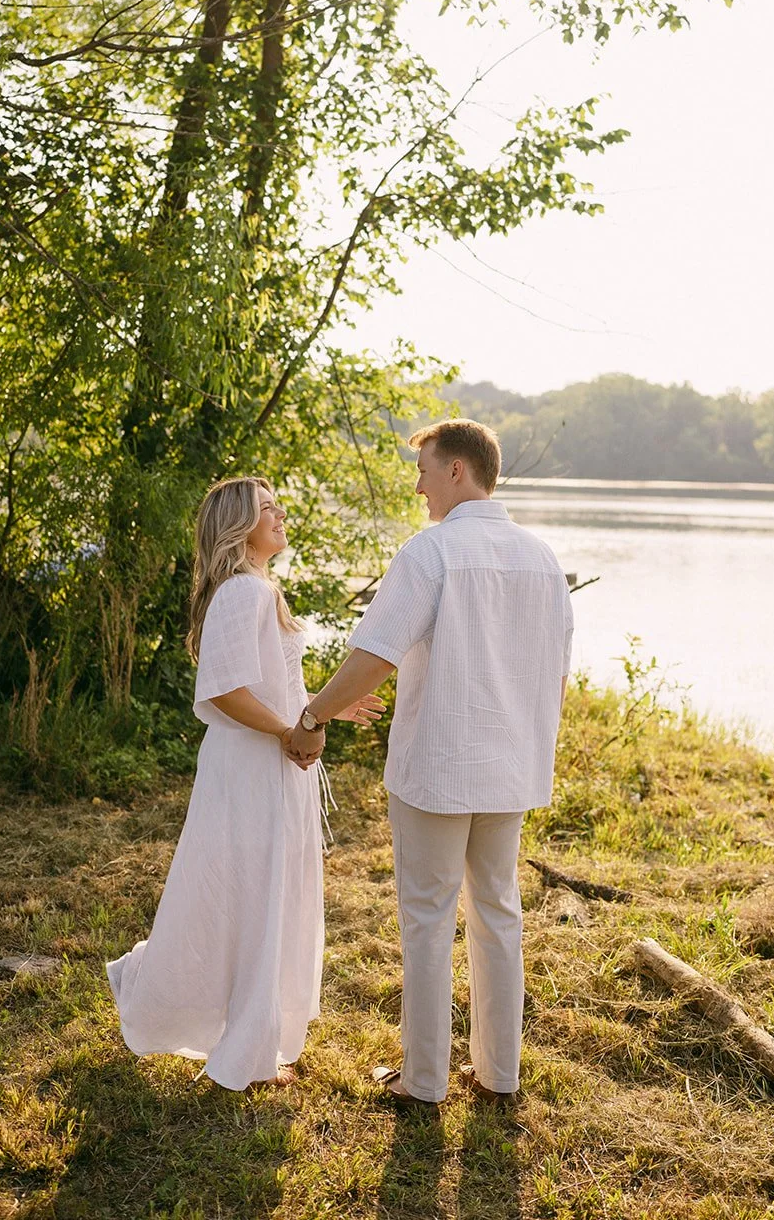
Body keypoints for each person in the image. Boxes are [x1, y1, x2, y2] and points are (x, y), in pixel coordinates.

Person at [288, 419, 573, 1105]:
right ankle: (498, 1075)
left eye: (423, 469)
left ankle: (423, 1082)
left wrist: (311, 714)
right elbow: (556, 677)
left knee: (425, 915)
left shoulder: (431, 552)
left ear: (457, 471)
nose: (416, 484)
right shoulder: (540, 558)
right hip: (508, 769)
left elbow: (375, 656)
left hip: (440, 766)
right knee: (497, 912)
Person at [107, 475, 382, 1091]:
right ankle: (243, 1044)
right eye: (267, 508)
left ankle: (205, 1006)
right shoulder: (241, 593)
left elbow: (267, 686)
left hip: (271, 761)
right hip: (252, 764)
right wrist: (290, 733)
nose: (281, 514)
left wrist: (323, 707)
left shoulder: (259, 589)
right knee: (252, 892)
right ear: (238, 527)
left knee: (262, 890)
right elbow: (224, 692)